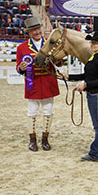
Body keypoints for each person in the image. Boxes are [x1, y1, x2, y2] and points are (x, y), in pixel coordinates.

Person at [61, 32, 98, 162]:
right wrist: (70, 77)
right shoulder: (96, 57)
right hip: (94, 94)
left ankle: (97, 153)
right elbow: (87, 75)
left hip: (97, 94)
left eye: (95, 43)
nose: (92, 45)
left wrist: (86, 85)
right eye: (92, 42)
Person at [16, 17, 60, 152]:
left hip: (48, 82)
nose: (37, 32)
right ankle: (32, 140)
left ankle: (45, 139)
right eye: (33, 30)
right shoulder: (22, 47)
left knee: (48, 112)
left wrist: (56, 62)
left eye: (38, 29)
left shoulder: (50, 43)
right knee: (32, 112)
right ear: (28, 33)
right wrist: (21, 68)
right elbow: (18, 67)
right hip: (32, 83)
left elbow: (59, 61)